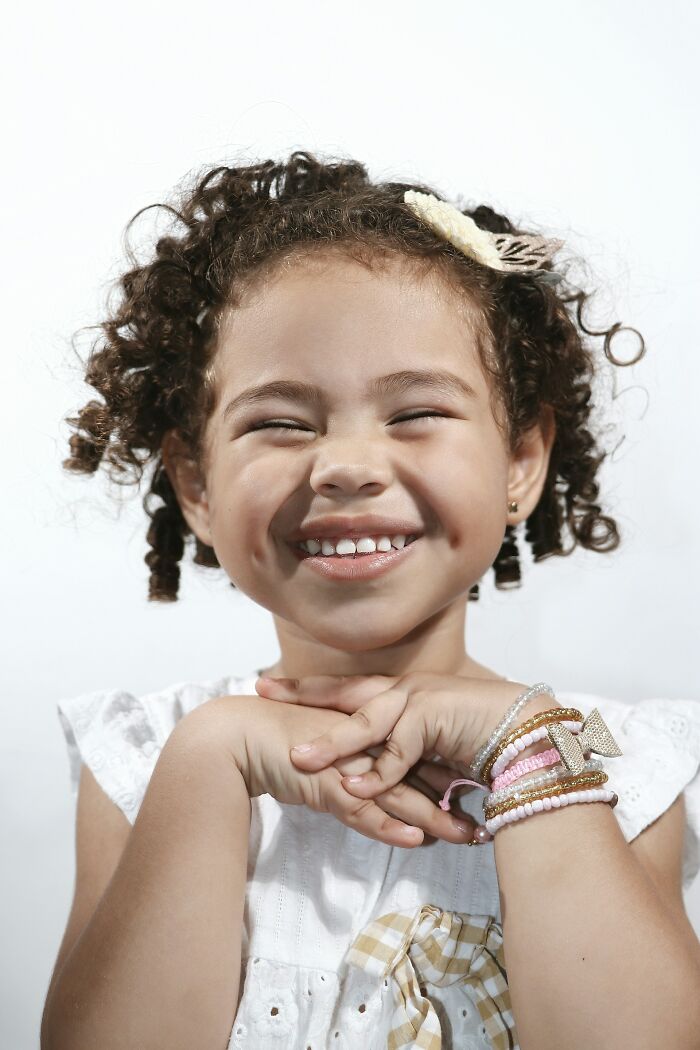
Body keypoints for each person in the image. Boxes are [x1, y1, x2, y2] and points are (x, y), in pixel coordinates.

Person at [42, 151, 700, 1050]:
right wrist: (210, 761)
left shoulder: (600, 748)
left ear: (520, 462)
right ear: (195, 483)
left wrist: (526, 745)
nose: (346, 465)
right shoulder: (148, 753)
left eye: (415, 412)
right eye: (280, 421)